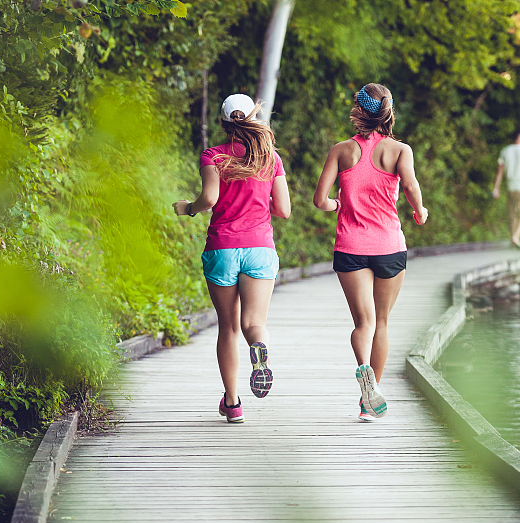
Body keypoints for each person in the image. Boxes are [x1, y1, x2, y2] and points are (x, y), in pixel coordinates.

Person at [172, 93, 291, 423]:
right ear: (254, 118)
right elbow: (283, 209)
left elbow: (209, 198)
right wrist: (258, 199)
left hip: (222, 247)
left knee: (228, 327)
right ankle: (260, 348)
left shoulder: (213, 155)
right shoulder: (270, 158)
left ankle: (233, 403)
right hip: (259, 248)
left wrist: (188, 208)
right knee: (254, 323)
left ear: (223, 124)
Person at [313, 83, 427, 421]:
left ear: (359, 110)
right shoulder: (400, 151)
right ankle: (369, 399)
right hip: (388, 246)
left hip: (350, 246)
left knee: (363, 323)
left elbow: (320, 200)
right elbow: (410, 185)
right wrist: (419, 211)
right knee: (382, 323)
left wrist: (337, 205)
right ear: (389, 112)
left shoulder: (341, 151)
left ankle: (363, 368)